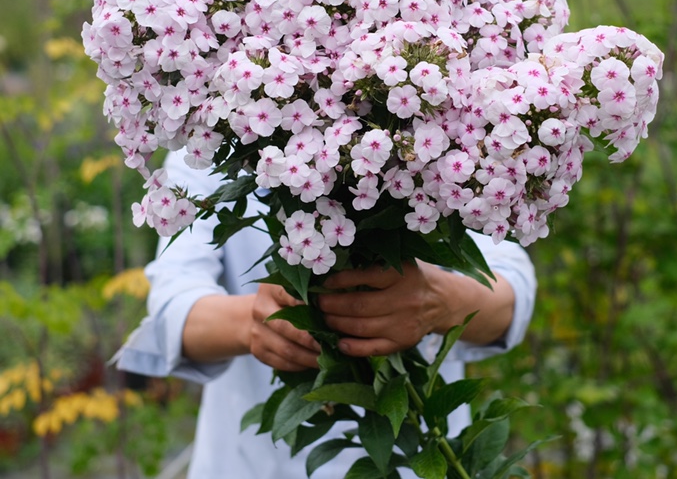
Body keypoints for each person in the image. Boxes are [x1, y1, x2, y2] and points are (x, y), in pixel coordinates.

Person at [116, 151, 537, 479]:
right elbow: (174, 305)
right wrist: (253, 322)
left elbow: (512, 291)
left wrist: (438, 300)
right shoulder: (206, 142)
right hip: (254, 464)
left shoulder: (435, 131)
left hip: (419, 453)